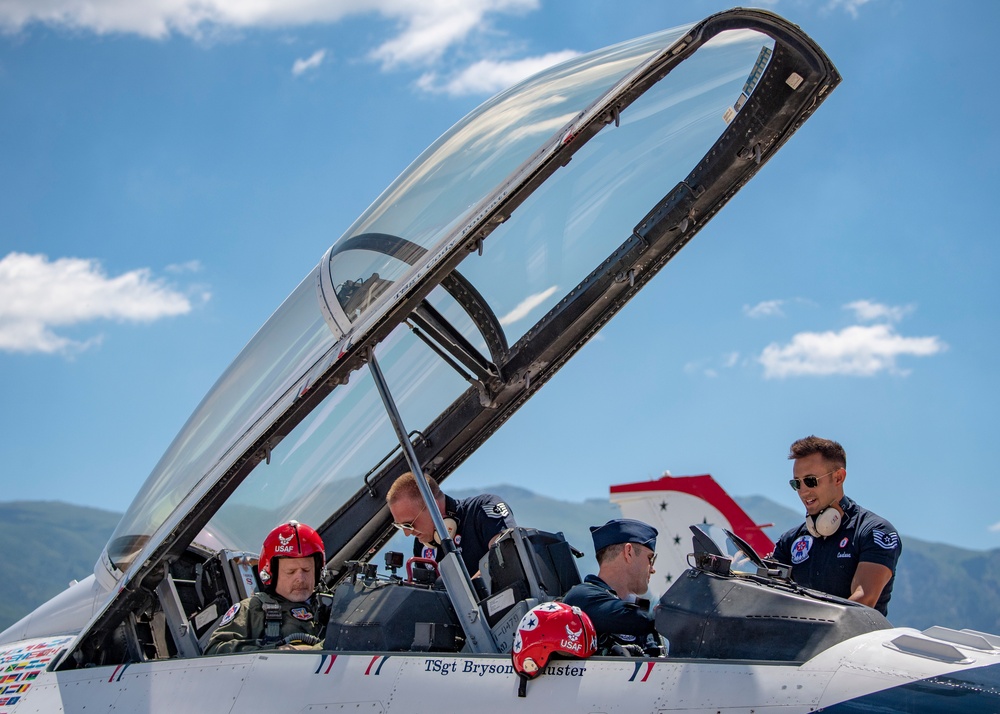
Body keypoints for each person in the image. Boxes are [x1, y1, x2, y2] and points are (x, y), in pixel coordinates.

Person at [771, 436, 902, 617]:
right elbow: (768, 593)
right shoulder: (790, 540)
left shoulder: (875, 531)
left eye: (810, 480)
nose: (802, 491)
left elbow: (864, 601)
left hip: (853, 643)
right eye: (796, 483)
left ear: (838, 477)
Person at [205, 521, 328, 654]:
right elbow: (214, 650)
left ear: (318, 571)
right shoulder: (253, 609)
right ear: (271, 573)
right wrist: (276, 651)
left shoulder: (333, 606)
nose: (301, 579)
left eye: (307, 570)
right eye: (291, 572)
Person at [562, 518, 663, 656]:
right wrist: (669, 611)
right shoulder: (583, 597)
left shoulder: (630, 604)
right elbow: (640, 616)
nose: (652, 569)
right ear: (629, 552)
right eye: (650, 559)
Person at [386, 471, 516, 577]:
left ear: (433, 507)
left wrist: (466, 594)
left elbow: (506, 553)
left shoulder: (484, 508)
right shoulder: (422, 546)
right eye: (401, 526)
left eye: (409, 524)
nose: (407, 533)